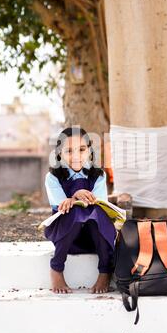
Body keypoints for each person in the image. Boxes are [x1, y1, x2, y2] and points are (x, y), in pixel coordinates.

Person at [44, 126, 117, 295]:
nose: (76, 156)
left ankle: (105, 270)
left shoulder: (98, 175)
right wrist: (75, 196)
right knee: (74, 212)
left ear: (90, 151)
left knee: (96, 212)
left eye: (82, 149)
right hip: (68, 237)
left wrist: (86, 199)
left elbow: (100, 204)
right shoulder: (53, 177)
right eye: (69, 151)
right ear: (59, 154)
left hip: (94, 236)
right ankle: (57, 267)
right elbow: (61, 205)